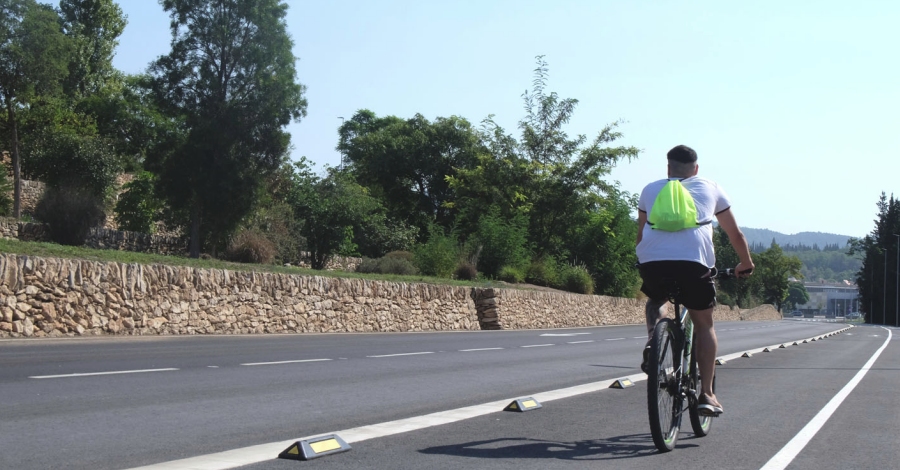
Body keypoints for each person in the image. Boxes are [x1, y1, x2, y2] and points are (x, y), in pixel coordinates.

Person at [636, 144, 754, 416]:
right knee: (704, 325)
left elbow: (641, 235)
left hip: (653, 262)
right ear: (696, 169)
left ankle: (654, 338)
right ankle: (707, 394)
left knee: (656, 301)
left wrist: (644, 261)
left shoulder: (650, 189)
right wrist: (745, 263)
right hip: (694, 264)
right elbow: (735, 234)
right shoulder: (711, 186)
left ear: (668, 168)